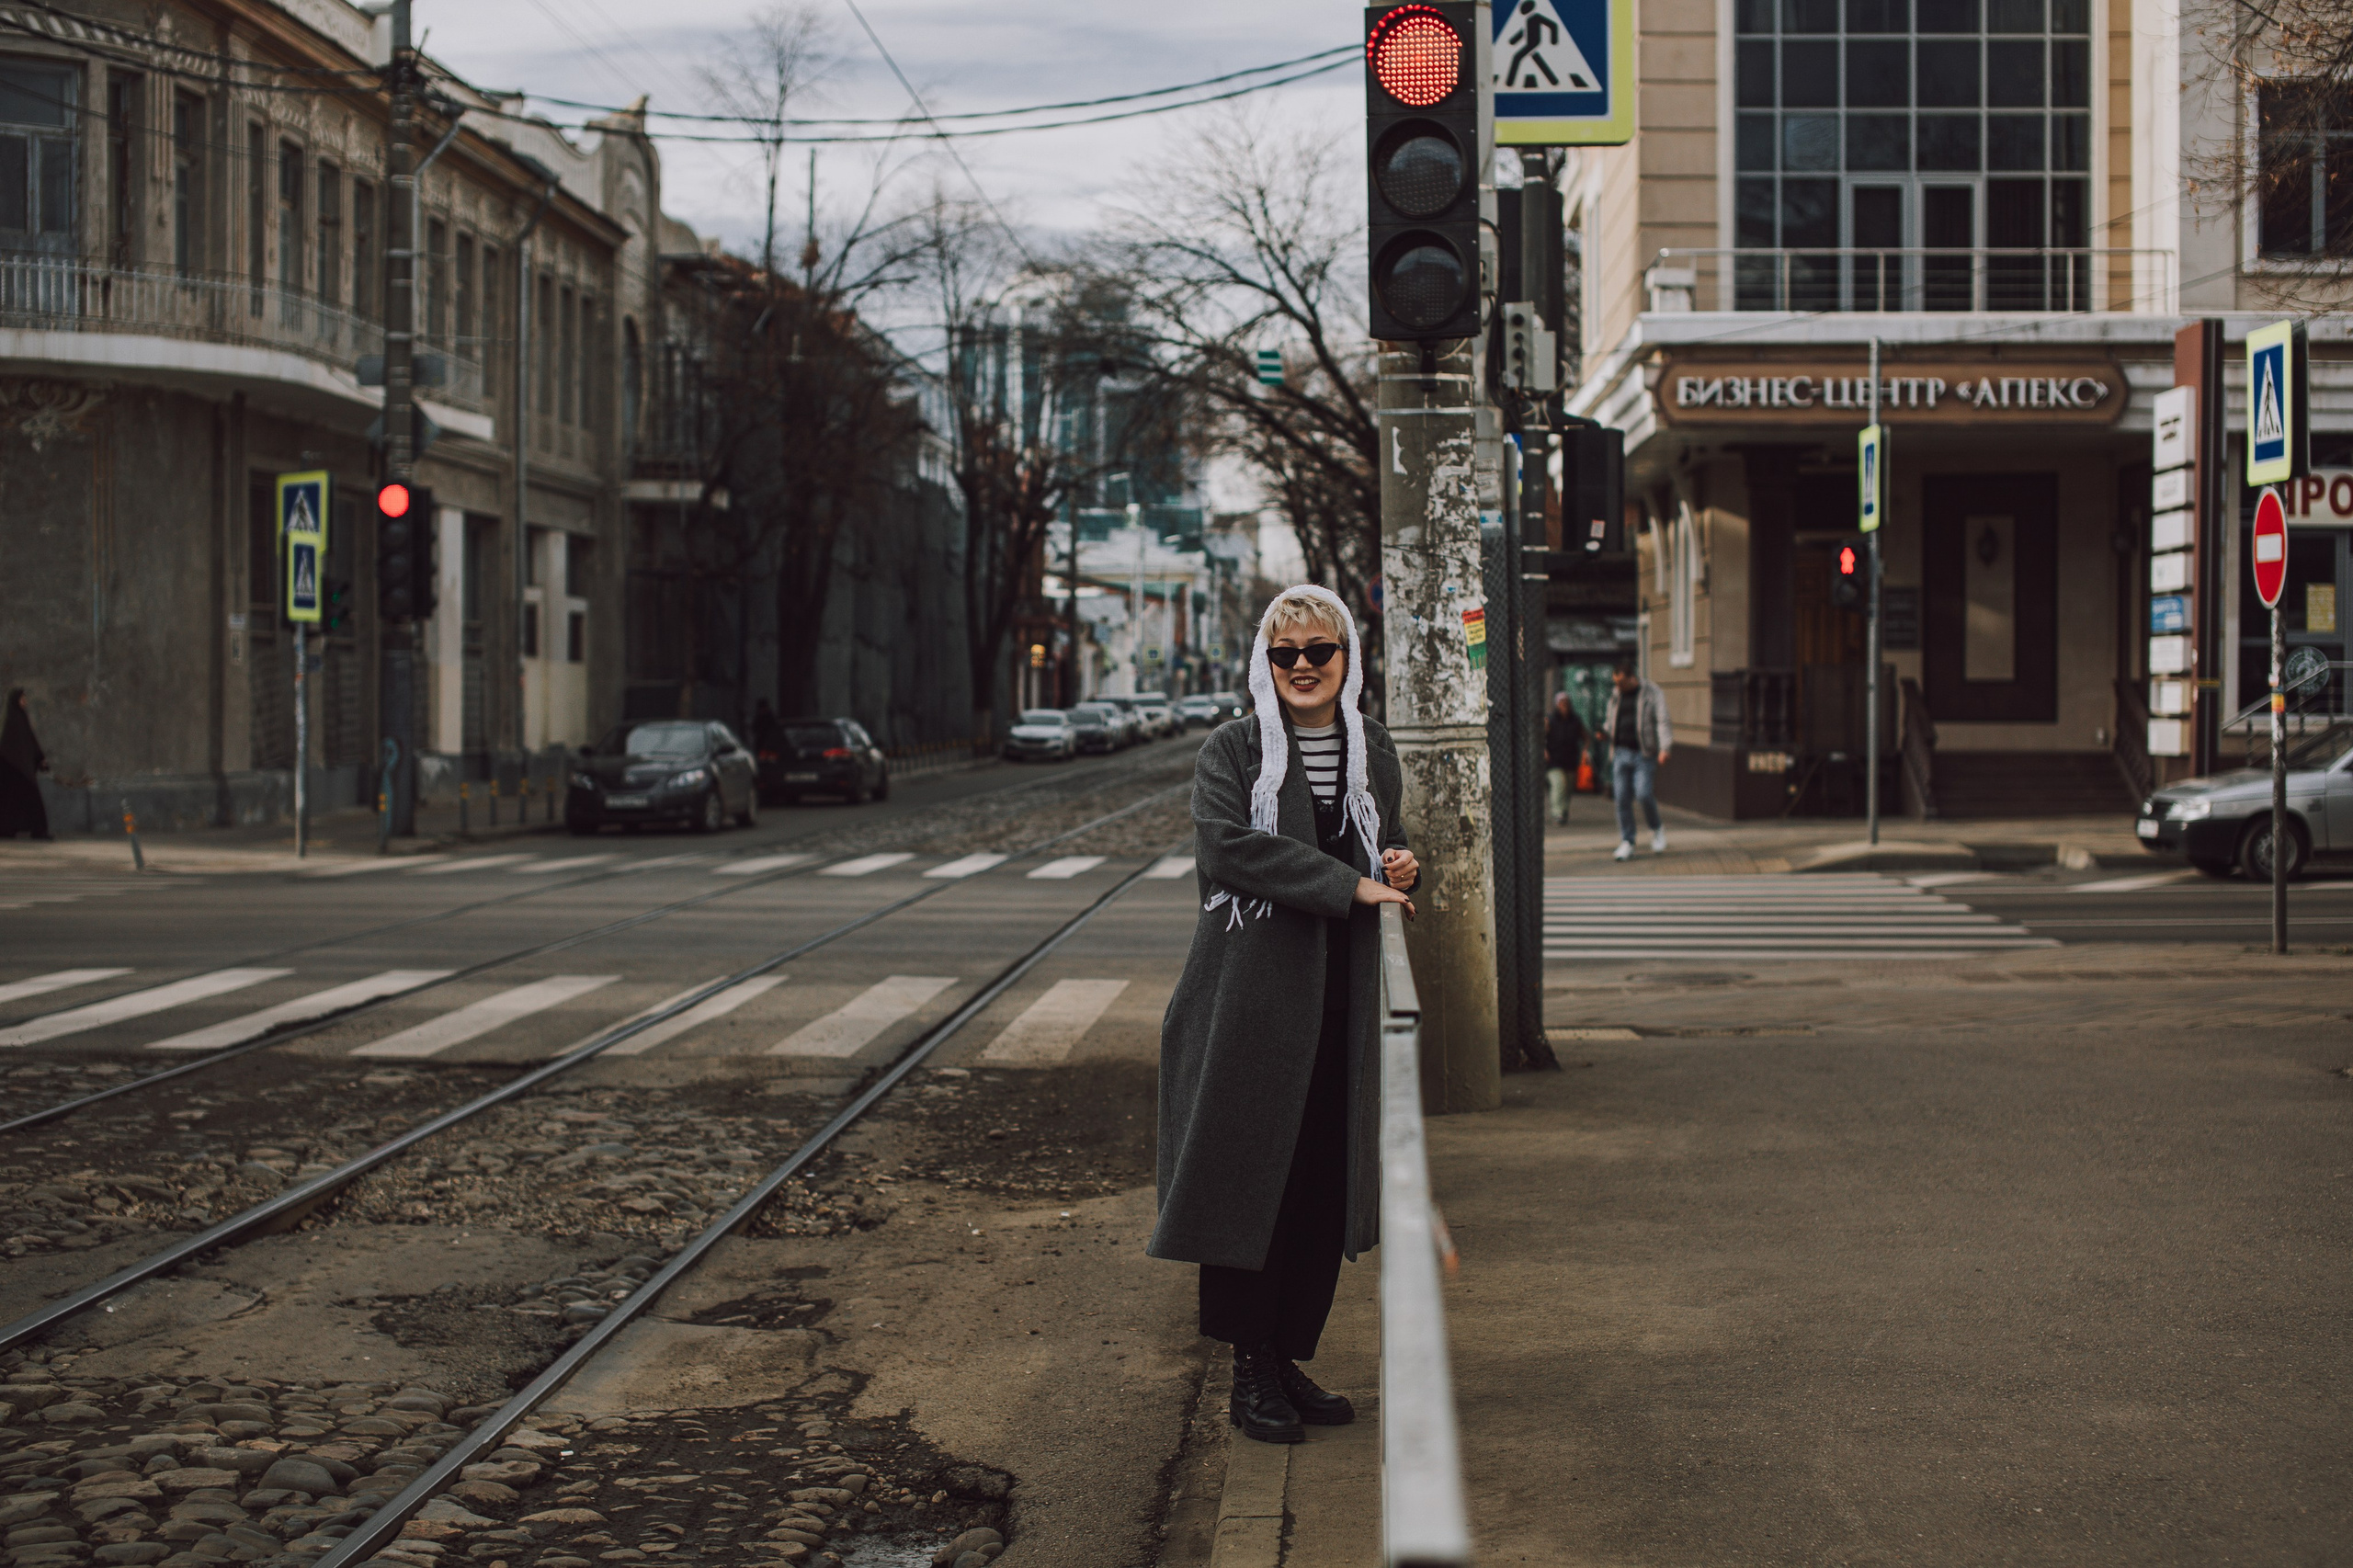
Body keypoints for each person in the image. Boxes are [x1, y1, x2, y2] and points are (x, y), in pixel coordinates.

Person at [1151, 585, 1420, 1446]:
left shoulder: (1371, 746)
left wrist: (1401, 866)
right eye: (1285, 652)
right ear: (1265, 663)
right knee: (1248, 1184)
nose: (1302, 665)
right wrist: (1351, 886)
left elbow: (1384, 840)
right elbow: (1228, 849)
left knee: (1317, 1189)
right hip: (1251, 1004)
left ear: (1348, 658)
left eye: (1319, 650)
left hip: (1339, 1000)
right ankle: (1250, 1369)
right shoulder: (1233, 749)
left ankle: (1287, 1356)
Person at [1604, 664, 1671, 860]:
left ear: (1632, 678)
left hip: (1644, 753)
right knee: (1621, 798)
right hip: (1620, 753)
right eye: (1616, 683)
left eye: (1622, 682)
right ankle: (1627, 841)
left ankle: (1656, 829)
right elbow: (1611, 720)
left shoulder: (1652, 692)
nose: (1618, 687)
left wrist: (1665, 748)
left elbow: (1663, 720)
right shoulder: (1616, 695)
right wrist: (1604, 731)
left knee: (1643, 793)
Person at [0, 688, 52, 840]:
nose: (25, 701)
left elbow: (30, 743)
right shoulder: (11, 722)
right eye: (22, 699)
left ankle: (37, 831)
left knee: (23, 802)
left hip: (22, 771)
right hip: (15, 772)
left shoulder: (21, 719)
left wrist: (40, 758)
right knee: (20, 801)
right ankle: (14, 829)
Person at [1544, 691, 1586, 826]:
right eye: (1561, 703)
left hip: (1570, 759)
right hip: (1554, 760)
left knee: (1568, 788)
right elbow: (1542, 736)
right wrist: (1544, 750)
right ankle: (1557, 813)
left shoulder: (1575, 720)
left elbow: (1585, 736)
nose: (1564, 706)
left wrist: (1585, 752)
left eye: (1566, 703)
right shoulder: (1550, 720)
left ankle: (1563, 810)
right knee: (1559, 784)